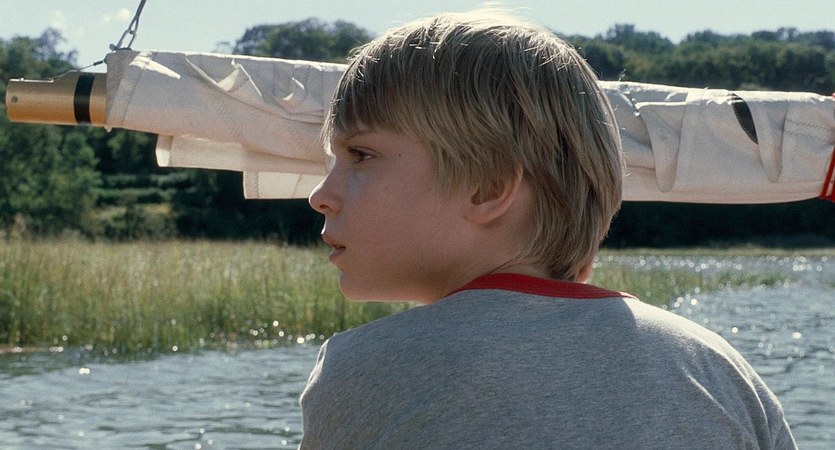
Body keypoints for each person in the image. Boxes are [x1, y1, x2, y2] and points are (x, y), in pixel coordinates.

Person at [300, 10, 797, 449]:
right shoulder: (721, 371)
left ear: (488, 187)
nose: (321, 194)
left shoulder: (364, 369)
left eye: (360, 155)